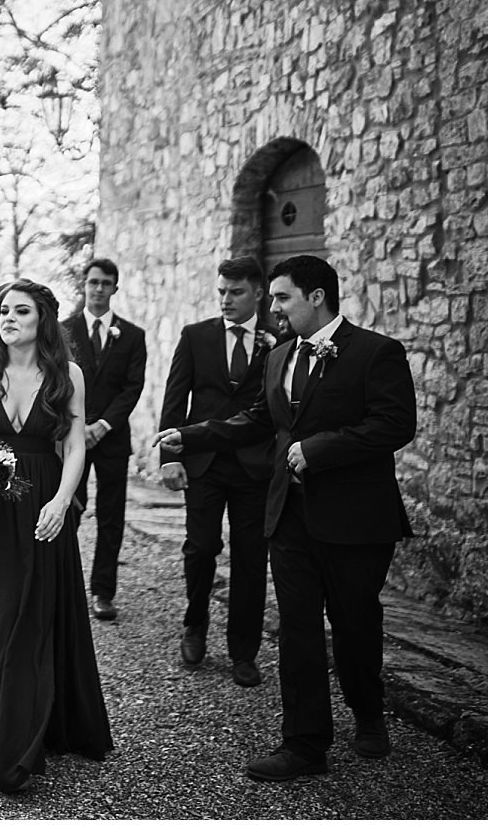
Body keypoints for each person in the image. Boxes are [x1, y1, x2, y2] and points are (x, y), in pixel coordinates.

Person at [155, 255, 416, 783]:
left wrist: (318, 450)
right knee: (297, 629)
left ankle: (368, 713)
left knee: (355, 624)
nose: (272, 308)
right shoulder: (278, 359)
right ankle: (303, 744)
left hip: (356, 521)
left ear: (316, 296)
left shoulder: (376, 352)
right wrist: (194, 436)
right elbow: (258, 420)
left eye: (281, 297)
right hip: (290, 515)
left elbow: (394, 424)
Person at [0, 279, 113, 794]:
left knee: (34, 612)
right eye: (1, 311)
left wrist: (62, 501)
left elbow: (75, 444)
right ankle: (1, 724)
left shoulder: (68, 374)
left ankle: (29, 727)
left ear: (44, 319)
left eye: (20, 311)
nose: (7, 319)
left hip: (42, 502)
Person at [157, 256, 276, 687]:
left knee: (249, 558)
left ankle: (244, 651)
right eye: (222, 291)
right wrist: (170, 458)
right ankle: (195, 622)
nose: (225, 299)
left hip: (254, 464)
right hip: (203, 462)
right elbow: (175, 399)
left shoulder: (278, 340)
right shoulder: (196, 336)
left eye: (236, 292)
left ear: (258, 292)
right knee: (201, 546)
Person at [62, 257, 147, 621]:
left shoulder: (132, 335)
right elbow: (57, 381)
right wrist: (78, 425)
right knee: (69, 507)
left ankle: (103, 592)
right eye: (93, 281)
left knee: (112, 516)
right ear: (84, 284)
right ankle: (63, 584)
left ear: (115, 288)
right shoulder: (63, 331)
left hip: (111, 439)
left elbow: (132, 387)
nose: (99, 289)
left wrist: (104, 425)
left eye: (106, 283)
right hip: (72, 436)